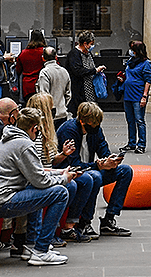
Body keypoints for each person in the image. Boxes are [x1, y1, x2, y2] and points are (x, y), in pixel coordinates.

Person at [0, 107, 77, 265]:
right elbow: (40, 180)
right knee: (60, 193)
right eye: (38, 130)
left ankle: (32, 245)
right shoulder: (25, 145)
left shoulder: (10, 138)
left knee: (41, 191)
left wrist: (59, 172)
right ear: (34, 128)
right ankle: (41, 251)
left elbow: (35, 173)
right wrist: (64, 179)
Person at [55, 102, 132, 237]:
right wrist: (98, 165)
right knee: (94, 176)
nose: (96, 127)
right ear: (82, 121)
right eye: (92, 124)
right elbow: (74, 164)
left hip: (91, 168)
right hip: (72, 172)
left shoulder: (96, 130)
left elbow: (103, 150)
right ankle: (85, 222)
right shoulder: (69, 130)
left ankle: (109, 219)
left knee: (125, 171)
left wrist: (110, 161)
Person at [26, 93, 93, 243]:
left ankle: (69, 226)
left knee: (87, 179)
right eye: (51, 108)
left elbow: (50, 161)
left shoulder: (47, 130)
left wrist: (63, 154)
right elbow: (37, 166)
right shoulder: (35, 133)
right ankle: (52, 231)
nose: (54, 110)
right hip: (39, 176)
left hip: (47, 172)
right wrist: (61, 174)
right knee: (70, 186)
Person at [120, 41, 151, 154]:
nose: (130, 51)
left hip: (138, 95)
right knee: (130, 120)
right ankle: (131, 143)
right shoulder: (131, 61)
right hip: (128, 94)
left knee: (139, 120)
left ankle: (141, 144)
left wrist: (144, 96)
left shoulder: (146, 64)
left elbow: (148, 81)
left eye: (132, 49)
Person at [65, 30, 106, 116]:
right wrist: (95, 71)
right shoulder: (74, 54)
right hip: (79, 91)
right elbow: (78, 71)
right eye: (91, 44)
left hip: (90, 90)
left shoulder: (88, 53)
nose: (92, 46)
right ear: (85, 44)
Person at [36, 46, 72, 130]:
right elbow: (68, 94)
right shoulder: (64, 71)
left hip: (50, 115)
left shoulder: (44, 73)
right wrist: (62, 106)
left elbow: (44, 95)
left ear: (43, 58)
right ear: (56, 57)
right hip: (62, 113)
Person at [15, 30, 47, 103]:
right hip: (42, 84)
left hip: (27, 87)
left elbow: (18, 70)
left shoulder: (23, 53)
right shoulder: (45, 53)